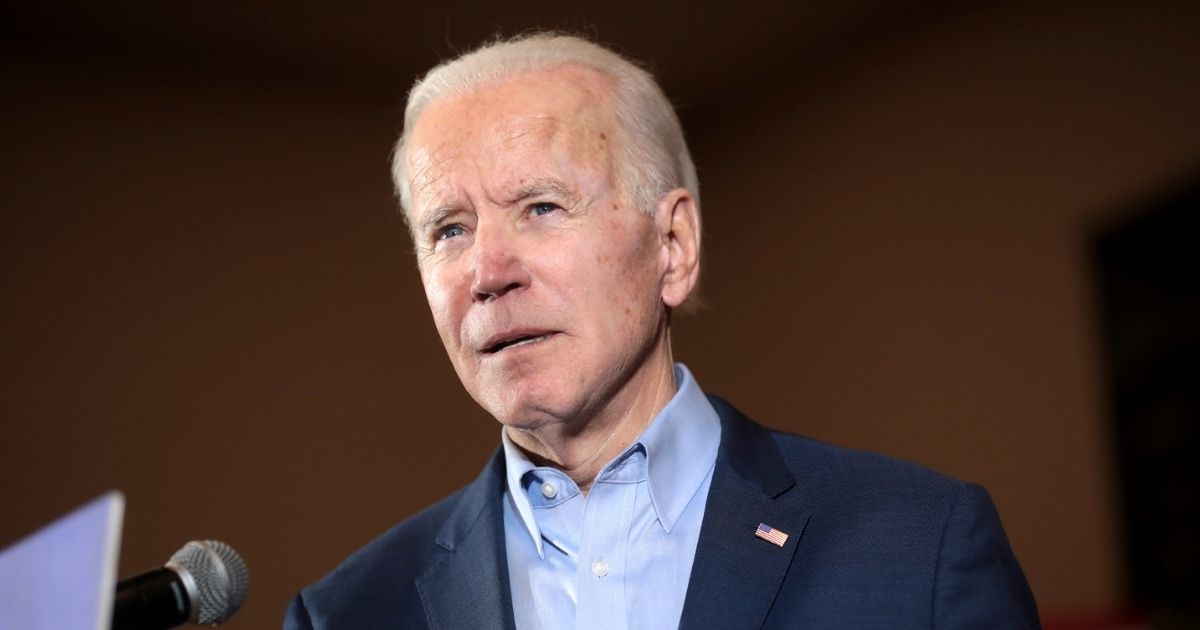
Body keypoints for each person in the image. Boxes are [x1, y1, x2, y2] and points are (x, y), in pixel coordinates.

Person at [284, 33, 1039, 629]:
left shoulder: (920, 547)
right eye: (448, 229)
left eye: (541, 208)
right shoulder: (346, 615)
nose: (487, 270)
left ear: (672, 247)